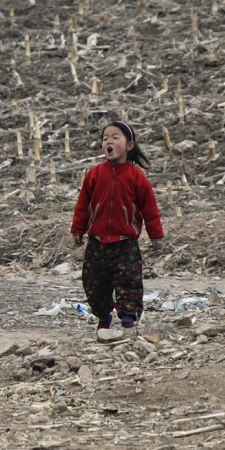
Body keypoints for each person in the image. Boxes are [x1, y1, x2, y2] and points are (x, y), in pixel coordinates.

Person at [71, 121, 164, 331]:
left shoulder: (136, 177)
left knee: (129, 280)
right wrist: (78, 229)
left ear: (129, 146)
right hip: (97, 242)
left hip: (125, 243)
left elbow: (149, 208)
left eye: (115, 137)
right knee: (94, 284)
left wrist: (155, 235)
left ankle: (128, 318)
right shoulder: (94, 174)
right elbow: (83, 204)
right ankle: (103, 316)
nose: (109, 142)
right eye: (105, 138)